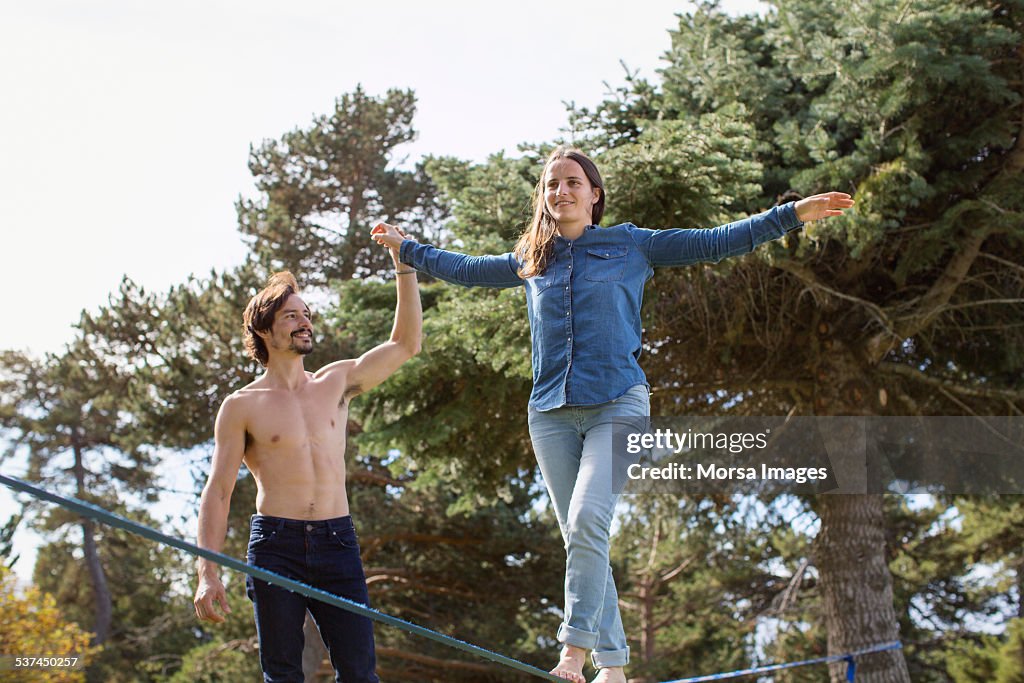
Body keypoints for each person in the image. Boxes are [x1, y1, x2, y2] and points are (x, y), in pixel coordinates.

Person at [371, 145, 854, 683]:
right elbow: (463, 268)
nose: (561, 191)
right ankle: (616, 667)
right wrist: (407, 249)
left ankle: (573, 655)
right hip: (550, 413)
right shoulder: (532, 259)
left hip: (618, 405)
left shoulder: (630, 244)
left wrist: (789, 215)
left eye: (573, 182)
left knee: (586, 520)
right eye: (552, 183)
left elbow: (715, 241)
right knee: (583, 536)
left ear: (594, 195)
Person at [193, 226, 421, 683]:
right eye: (292, 316)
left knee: (360, 673)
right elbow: (218, 492)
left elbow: (405, 345)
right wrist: (207, 572)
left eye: (307, 314)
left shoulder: (336, 382)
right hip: (276, 547)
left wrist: (404, 264)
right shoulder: (241, 406)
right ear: (264, 328)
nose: (305, 323)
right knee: (283, 673)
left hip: (338, 542)